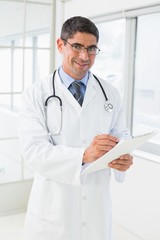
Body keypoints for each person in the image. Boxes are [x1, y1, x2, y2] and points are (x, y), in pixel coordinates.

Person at [18, 16, 133, 240]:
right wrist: (84, 155)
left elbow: (121, 133)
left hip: (96, 206)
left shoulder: (110, 92)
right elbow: (33, 150)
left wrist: (124, 155)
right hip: (53, 208)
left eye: (91, 49)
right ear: (61, 45)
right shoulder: (36, 94)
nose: (84, 56)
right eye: (77, 46)